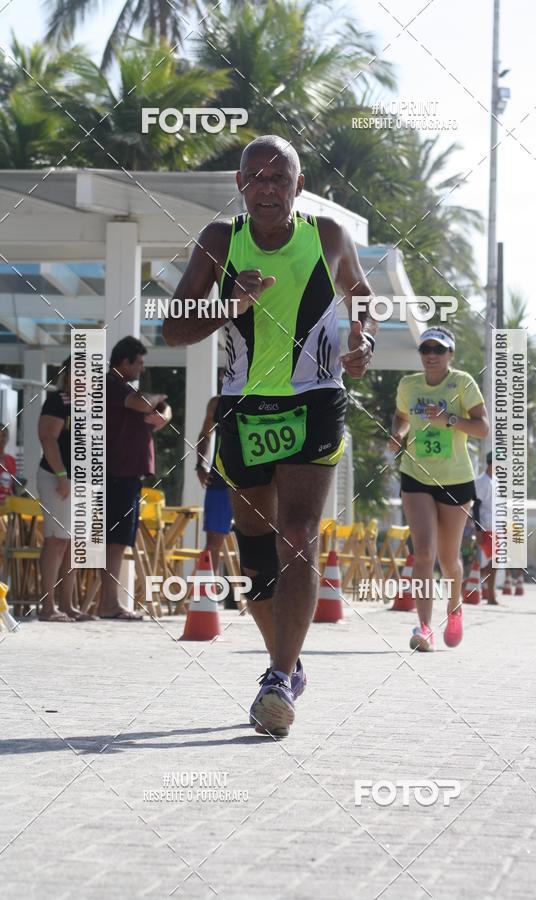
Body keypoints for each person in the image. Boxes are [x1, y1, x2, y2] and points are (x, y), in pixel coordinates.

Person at [163, 134, 376, 737]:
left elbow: (362, 297)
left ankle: (278, 679)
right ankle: (287, 662)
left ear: (298, 186)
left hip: (315, 399)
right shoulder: (218, 241)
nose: (266, 188)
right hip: (243, 405)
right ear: (239, 185)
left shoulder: (328, 236)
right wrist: (229, 306)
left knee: (299, 534)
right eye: (255, 177)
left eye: (279, 177)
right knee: (256, 550)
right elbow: (174, 329)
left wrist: (361, 338)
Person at [388, 326, 489, 651]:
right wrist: (398, 433)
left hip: (456, 480)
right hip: (415, 476)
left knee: (448, 559)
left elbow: (483, 428)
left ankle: (455, 608)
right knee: (423, 552)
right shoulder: (409, 385)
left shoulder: (462, 383)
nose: (431, 355)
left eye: (438, 349)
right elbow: (401, 417)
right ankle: (425, 627)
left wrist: (450, 420)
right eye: (426, 349)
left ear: (450, 354)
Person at [99, 336, 172, 619]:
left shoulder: (127, 389)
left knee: (117, 542)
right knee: (114, 542)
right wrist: (159, 399)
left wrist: (165, 412)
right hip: (117, 474)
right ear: (124, 361)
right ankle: (109, 603)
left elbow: (158, 411)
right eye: (139, 363)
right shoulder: (112, 385)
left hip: (128, 474)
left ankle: (109, 602)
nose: (142, 368)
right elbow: (143, 405)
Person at [36, 358, 91, 621]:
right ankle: (48, 607)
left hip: (81, 481)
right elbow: (48, 438)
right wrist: (61, 476)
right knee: (56, 540)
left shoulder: (90, 404)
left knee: (73, 543)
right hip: (57, 477)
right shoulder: (57, 401)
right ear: (67, 375)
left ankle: (68, 605)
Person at [196, 394, 234, 584]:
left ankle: (266, 597)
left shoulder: (260, 396)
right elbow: (205, 435)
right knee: (213, 543)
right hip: (220, 480)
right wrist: (200, 466)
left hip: (255, 481)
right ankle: (206, 593)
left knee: (262, 540)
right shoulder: (217, 403)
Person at [473, 450, 498, 605]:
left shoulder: (495, 481)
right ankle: (490, 596)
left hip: (495, 526)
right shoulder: (482, 481)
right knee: (495, 561)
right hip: (485, 526)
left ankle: (470, 582)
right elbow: (475, 506)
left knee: (496, 562)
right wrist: (478, 530)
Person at [0, 423, 17, 505]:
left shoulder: (11, 460)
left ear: (7, 438)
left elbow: (13, 485)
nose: (1, 438)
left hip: (8, 503)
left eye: (4, 435)